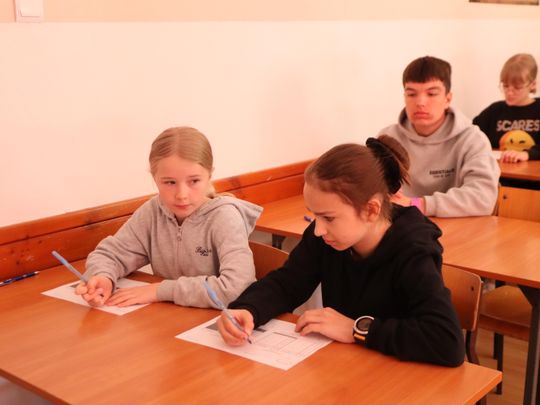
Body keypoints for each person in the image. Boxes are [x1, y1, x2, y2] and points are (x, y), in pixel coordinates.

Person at [217, 136, 465, 367]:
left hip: (401, 376)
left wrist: (355, 329)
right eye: (314, 215)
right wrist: (248, 308)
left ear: (371, 210)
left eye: (328, 218)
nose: (318, 230)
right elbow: (287, 283)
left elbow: (447, 342)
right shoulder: (328, 237)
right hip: (345, 368)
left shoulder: (413, 250)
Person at [76, 126, 262, 308]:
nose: (182, 195)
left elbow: (237, 288)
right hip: (167, 317)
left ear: (209, 175)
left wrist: (160, 291)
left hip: (216, 321)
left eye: (194, 181)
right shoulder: (152, 212)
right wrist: (103, 277)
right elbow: (111, 254)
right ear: (155, 178)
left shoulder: (225, 218)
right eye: (170, 182)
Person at [379, 56, 500, 217]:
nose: (420, 102)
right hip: (401, 224)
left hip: (458, 227)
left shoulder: (473, 139)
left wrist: (418, 204)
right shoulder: (387, 138)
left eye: (431, 94)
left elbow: (483, 198)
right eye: (411, 94)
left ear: (447, 99)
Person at [473, 53, 540, 163]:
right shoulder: (494, 111)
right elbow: (470, 134)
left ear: (532, 84)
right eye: (505, 86)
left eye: (517, 87)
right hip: (501, 171)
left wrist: (527, 154)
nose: (509, 92)